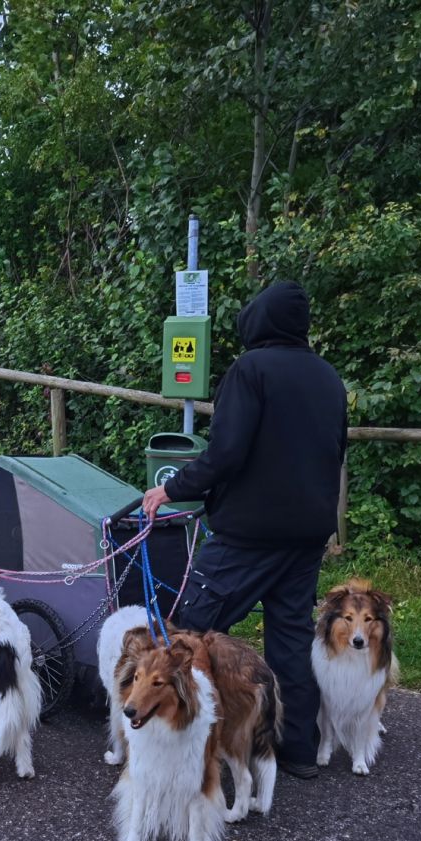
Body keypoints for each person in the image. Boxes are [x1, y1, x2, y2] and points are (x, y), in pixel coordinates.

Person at [141, 280, 348, 781]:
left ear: (257, 321)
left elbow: (226, 451)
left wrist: (173, 489)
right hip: (307, 533)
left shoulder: (250, 369)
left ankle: (177, 735)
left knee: (189, 627)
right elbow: (335, 450)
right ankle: (297, 749)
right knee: (291, 639)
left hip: (248, 533)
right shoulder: (328, 377)